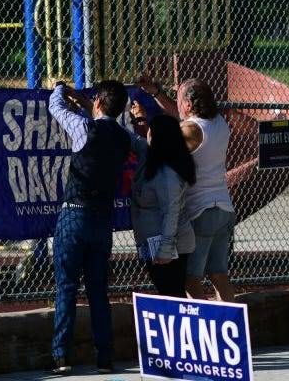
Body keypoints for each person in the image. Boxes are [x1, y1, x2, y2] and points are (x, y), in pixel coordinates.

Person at [48, 80, 131, 375]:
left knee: (66, 287)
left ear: (97, 102)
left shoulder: (84, 127)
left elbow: (55, 107)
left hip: (74, 215)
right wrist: (88, 103)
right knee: (98, 291)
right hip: (102, 220)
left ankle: (61, 355)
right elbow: (105, 118)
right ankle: (104, 357)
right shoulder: (124, 137)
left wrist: (60, 88)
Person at [137, 74, 234, 302]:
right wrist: (157, 94)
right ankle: (232, 320)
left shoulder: (190, 130)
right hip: (223, 207)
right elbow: (179, 115)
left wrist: (143, 121)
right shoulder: (218, 122)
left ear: (189, 104)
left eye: (179, 99)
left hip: (201, 210)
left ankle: (201, 321)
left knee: (191, 279)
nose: (177, 104)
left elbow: (160, 144)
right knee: (219, 275)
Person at [129, 110, 197, 297]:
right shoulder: (151, 154)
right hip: (153, 242)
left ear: (158, 137)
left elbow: (171, 212)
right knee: (167, 292)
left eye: (150, 130)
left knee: (172, 295)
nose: (147, 133)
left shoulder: (168, 174)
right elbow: (132, 140)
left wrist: (165, 250)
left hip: (170, 247)